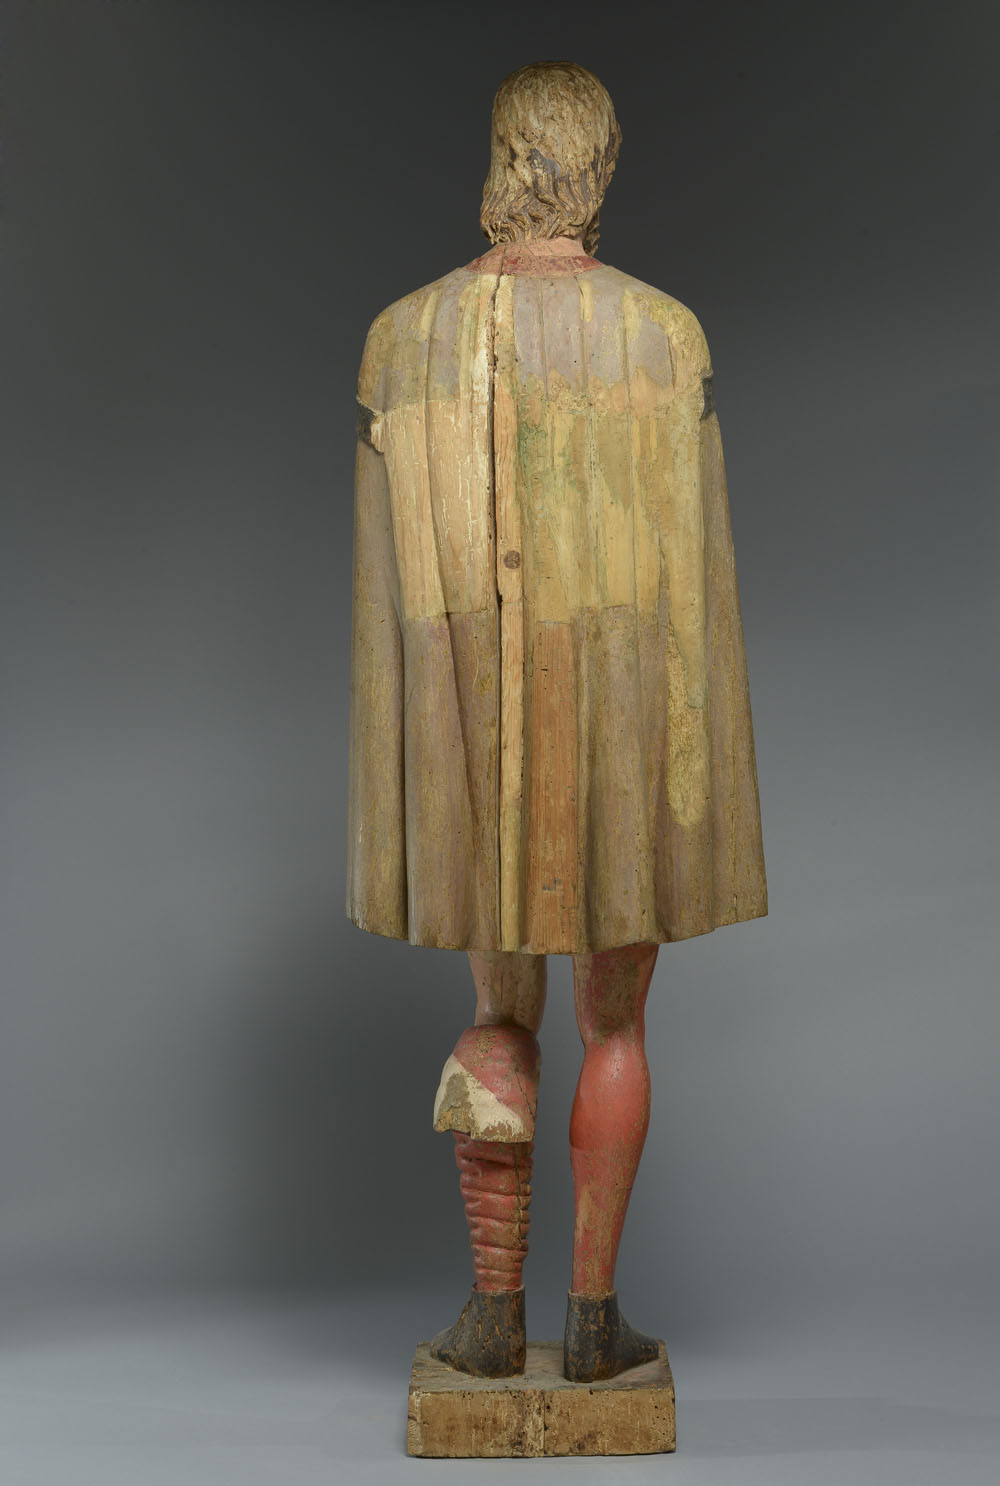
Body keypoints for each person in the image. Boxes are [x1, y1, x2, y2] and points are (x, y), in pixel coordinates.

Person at [347, 61, 767, 1382]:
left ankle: (492, 1318)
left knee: (499, 1007)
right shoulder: (666, 336)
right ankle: (590, 1323)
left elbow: (391, 616)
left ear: (502, 160)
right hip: (627, 744)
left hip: (467, 742)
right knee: (618, 1021)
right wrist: (692, 789)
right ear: (598, 168)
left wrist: (417, 783)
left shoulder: (404, 338)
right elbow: (696, 598)